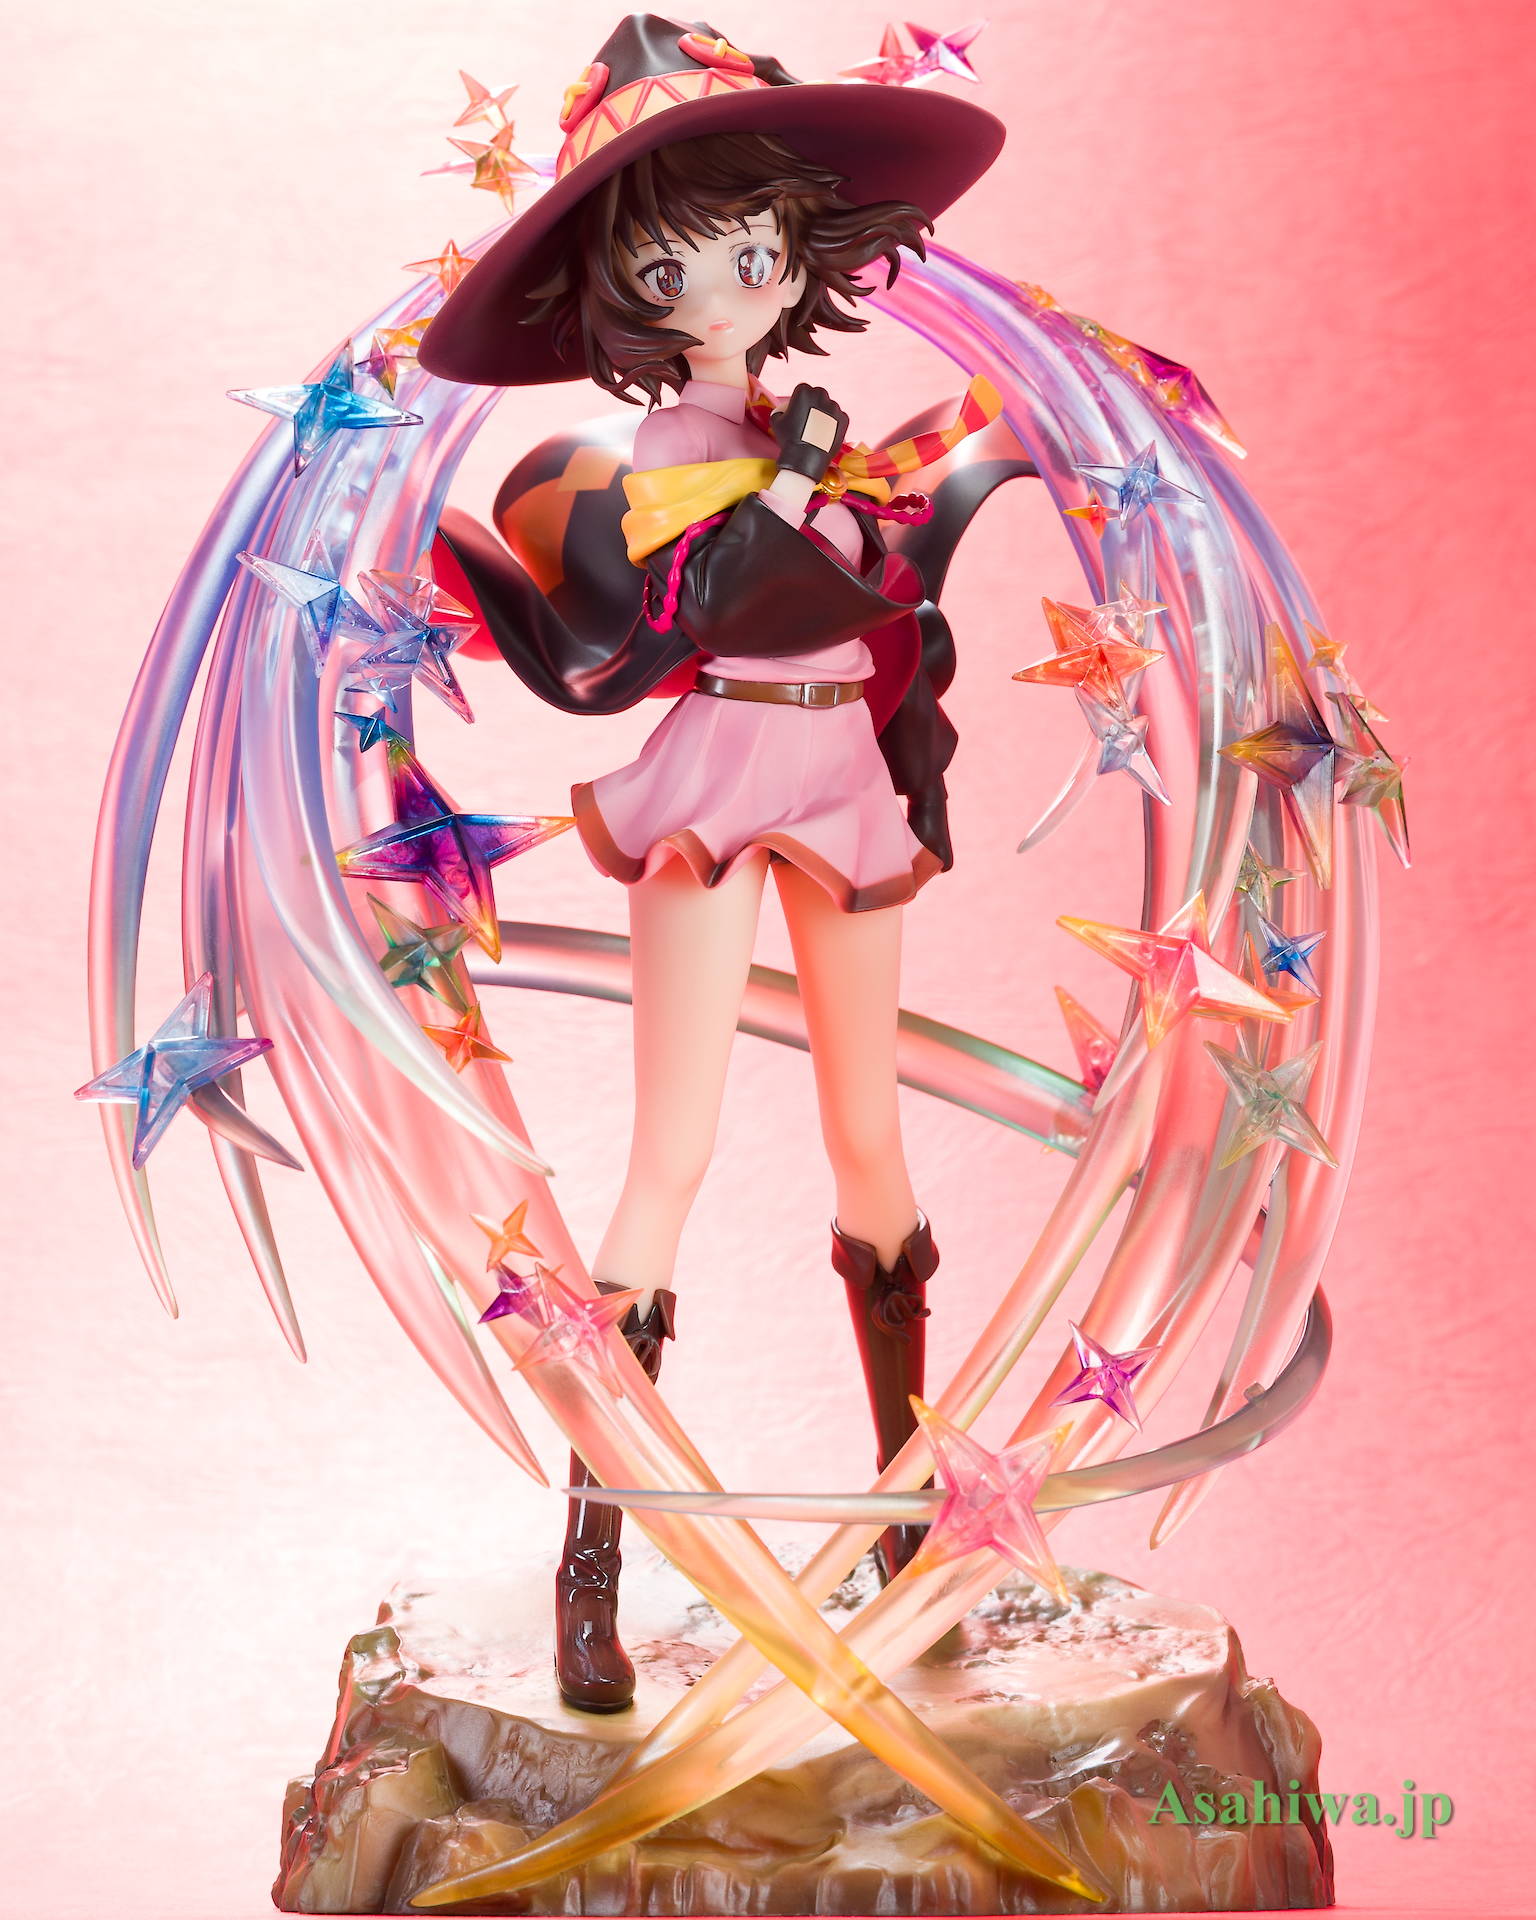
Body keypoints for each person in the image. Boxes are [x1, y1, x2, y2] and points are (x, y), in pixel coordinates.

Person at [418, 12, 1008, 1710]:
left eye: (756, 250)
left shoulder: (804, 423)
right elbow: (712, 579)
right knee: (667, 1154)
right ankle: (592, 1565)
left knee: (869, 1138)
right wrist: (805, 478)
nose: (727, 290)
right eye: (673, 267)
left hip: (836, 784)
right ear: (622, 296)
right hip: (714, 779)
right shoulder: (684, 446)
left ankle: (913, 1514)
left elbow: (872, 577)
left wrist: (858, 494)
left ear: (803, 246)